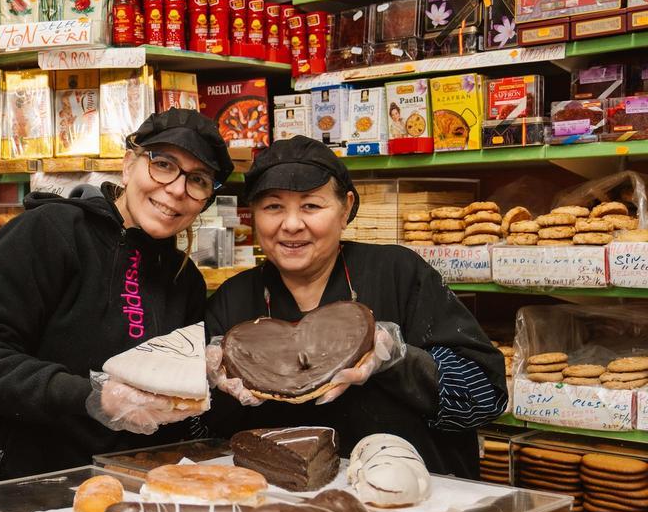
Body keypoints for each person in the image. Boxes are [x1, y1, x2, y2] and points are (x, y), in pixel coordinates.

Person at [0, 109, 235, 485]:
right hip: (17, 489)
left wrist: (206, 376)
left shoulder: (185, 280)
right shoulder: (49, 233)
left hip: (125, 493)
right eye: (163, 164)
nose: (177, 189)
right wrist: (94, 395)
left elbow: (168, 402)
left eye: (197, 180)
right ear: (128, 165)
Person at [204, 136, 507, 477]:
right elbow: (205, 434)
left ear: (346, 208)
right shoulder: (233, 299)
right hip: (281, 498)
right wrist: (208, 383)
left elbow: (485, 396)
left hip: (411, 497)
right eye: (273, 207)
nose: (291, 224)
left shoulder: (398, 273)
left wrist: (396, 358)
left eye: (311, 206)